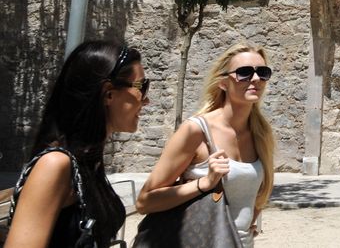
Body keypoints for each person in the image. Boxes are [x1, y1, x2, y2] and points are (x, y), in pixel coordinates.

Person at [7, 41, 149, 248]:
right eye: (142, 87)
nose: (147, 100)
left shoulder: (88, 160)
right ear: (108, 93)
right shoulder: (55, 164)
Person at [136, 43, 275, 247]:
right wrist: (205, 183)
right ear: (223, 83)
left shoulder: (261, 133)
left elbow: (255, 197)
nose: (255, 79)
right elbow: (144, 201)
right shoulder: (196, 130)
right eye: (244, 73)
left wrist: (246, 223)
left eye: (262, 73)